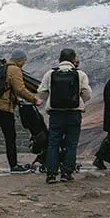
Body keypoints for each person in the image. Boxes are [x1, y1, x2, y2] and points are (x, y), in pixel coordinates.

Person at [38, 48, 92, 184]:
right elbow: (87, 94)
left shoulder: (50, 74)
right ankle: (66, 173)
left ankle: (51, 174)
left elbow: (42, 93)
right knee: (71, 143)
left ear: (60, 59)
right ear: (74, 60)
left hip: (56, 113)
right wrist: (78, 101)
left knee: (53, 143)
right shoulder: (80, 74)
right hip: (74, 113)